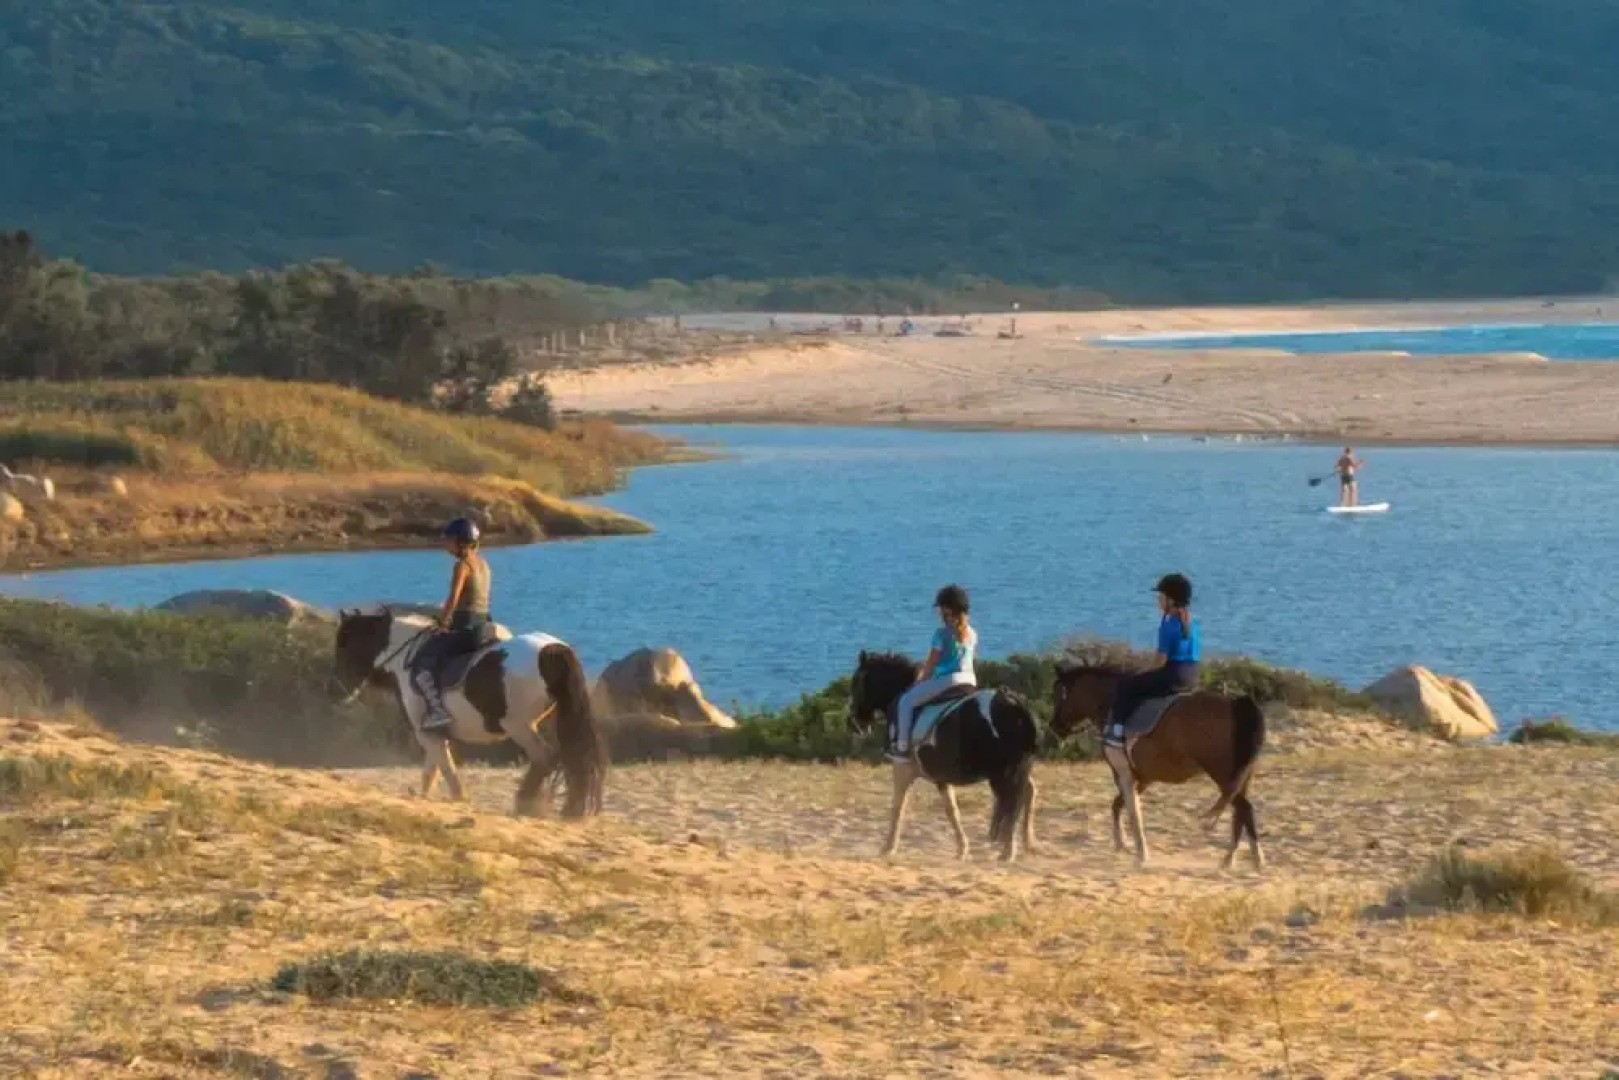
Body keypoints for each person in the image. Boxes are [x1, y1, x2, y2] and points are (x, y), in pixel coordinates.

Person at [409, 517, 495, 732]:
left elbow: (454, 598)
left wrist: (443, 623)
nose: (445, 545)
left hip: (465, 627)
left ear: (460, 542)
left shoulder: (462, 565)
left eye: (448, 540)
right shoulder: (483, 564)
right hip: (483, 623)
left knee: (422, 663)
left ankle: (438, 712)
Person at [1106, 574, 1201, 743]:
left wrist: (1144, 671)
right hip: (1192, 674)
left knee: (1126, 686)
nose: (1158, 600)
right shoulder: (1192, 623)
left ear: (1171, 601)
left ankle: (1117, 732)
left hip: (1174, 674)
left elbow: (1161, 661)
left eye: (1161, 597)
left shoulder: (1168, 625)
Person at [891, 585, 978, 759]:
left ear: (949, 609)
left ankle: (902, 748)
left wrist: (918, 682)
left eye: (942, 608)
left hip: (948, 681)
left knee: (906, 701)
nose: (940, 612)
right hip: (970, 681)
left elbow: (931, 664)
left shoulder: (941, 634)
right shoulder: (972, 633)